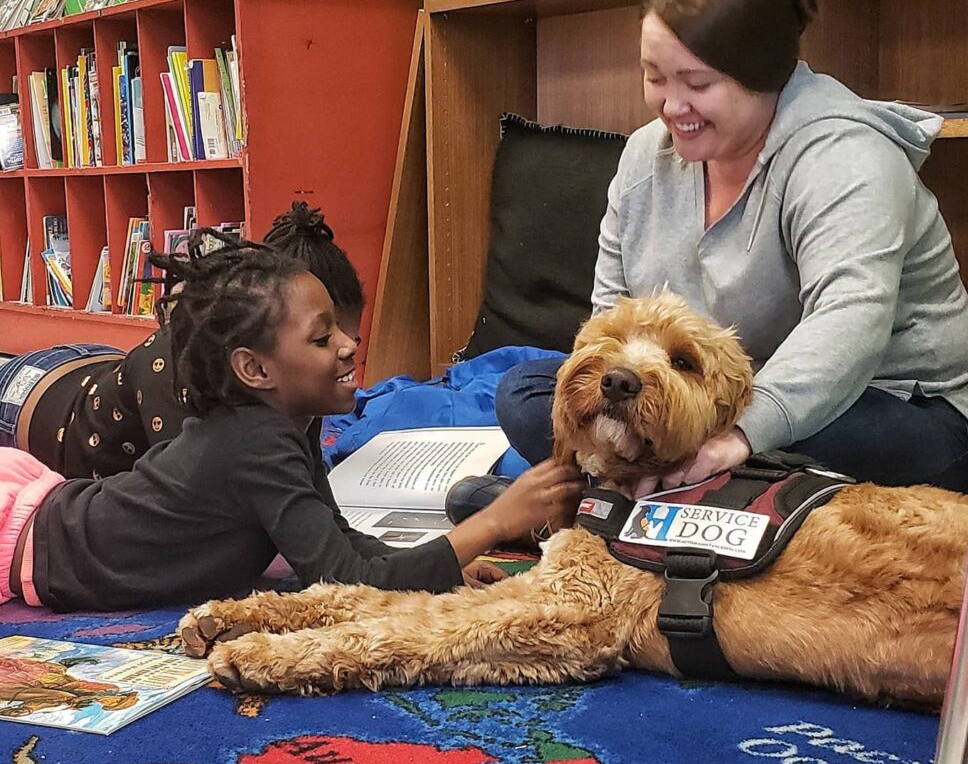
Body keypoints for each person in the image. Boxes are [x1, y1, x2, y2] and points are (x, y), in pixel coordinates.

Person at [477, 0, 968, 499]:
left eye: (697, 85)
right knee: (526, 392)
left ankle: (621, 494)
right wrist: (628, 395)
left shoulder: (846, 157)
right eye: (655, 77)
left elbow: (849, 322)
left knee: (804, 438)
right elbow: (611, 319)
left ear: (765, 74)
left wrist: (740, 435)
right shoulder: (645, 157)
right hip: (700, 404)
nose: (672, 107)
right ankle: (694, 492)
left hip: (890, 405)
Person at [0, 233, 584, 612]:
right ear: (255, 369)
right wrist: (489, 523)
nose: (350, 345)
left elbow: (338, 542)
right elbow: (342, 578)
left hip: (50, 505)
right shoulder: (253, 442)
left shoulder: (288, 422)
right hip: (30, 541)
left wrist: (445, 561)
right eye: (323, 337)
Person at [0, 202, 363, 480]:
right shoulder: (178, 383)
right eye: (322, 339)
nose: (349, 348)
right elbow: (206, 515)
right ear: (251, 361)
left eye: (353, 335)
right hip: (28, 391)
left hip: (101, 367)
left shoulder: (297, 376)